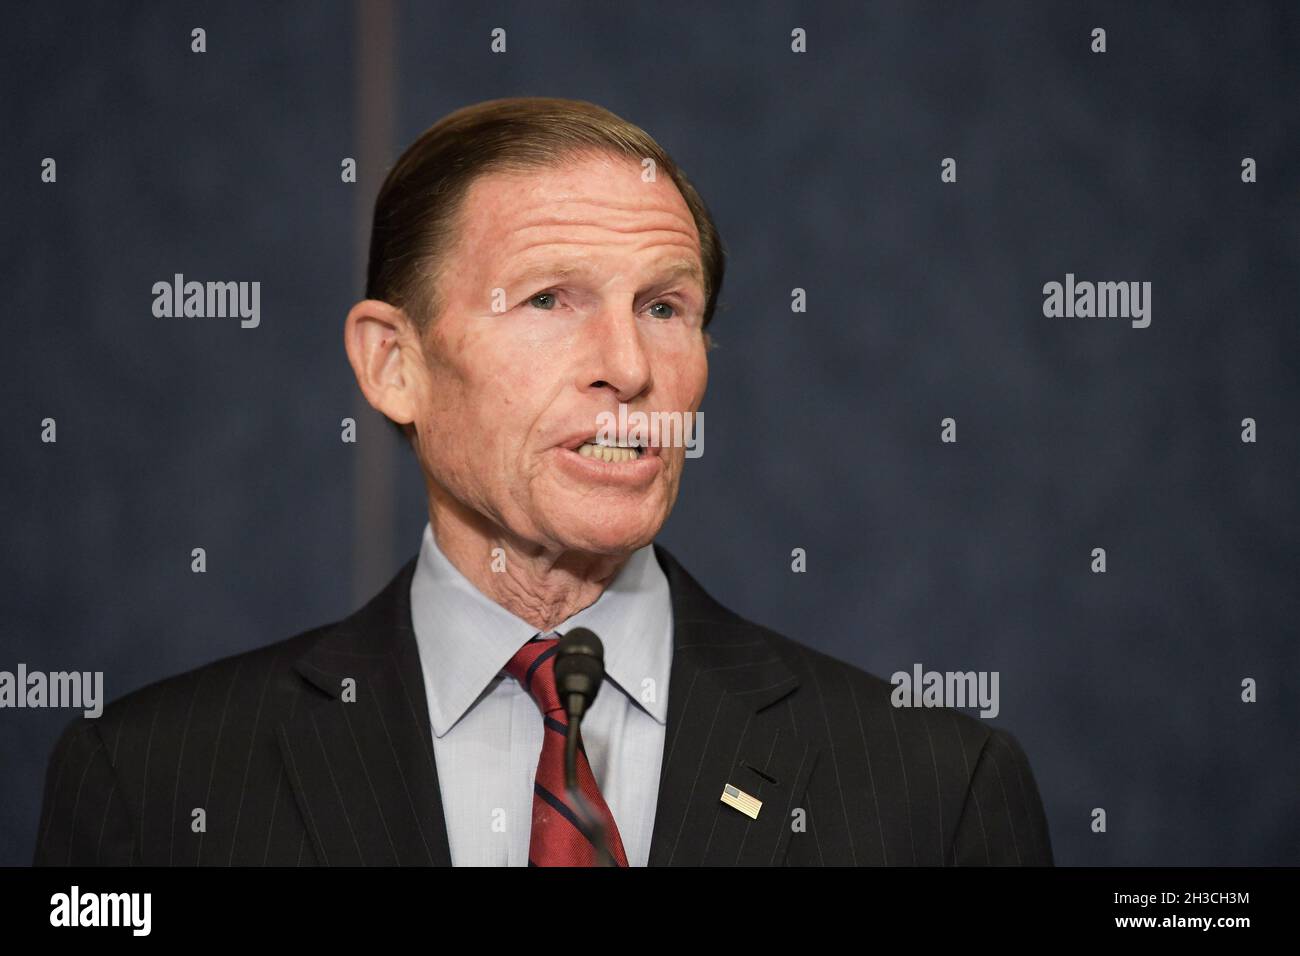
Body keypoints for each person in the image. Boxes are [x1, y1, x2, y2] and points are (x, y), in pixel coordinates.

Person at [34, 97, 1052, 866]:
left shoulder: (934, 792)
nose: (628, 363)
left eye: (664, 305)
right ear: (395, 364)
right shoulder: (155, 788)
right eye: (550, 298)